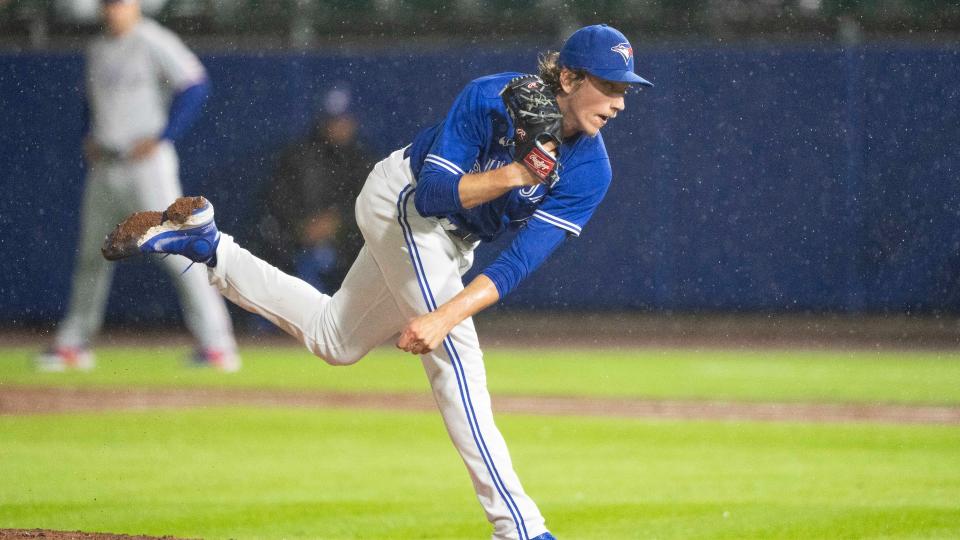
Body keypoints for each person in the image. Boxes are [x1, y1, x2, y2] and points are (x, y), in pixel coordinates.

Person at [102, 24, 652, 540]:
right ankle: (521, 527)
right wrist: (516, 173)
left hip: (455, 243)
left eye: (625, 90)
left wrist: (446, 311)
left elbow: (515, 264)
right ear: (568, 78)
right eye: (608, 86)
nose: (620, 102)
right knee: (458, 361)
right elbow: (434, 194)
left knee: (334, 339)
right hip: (404, 201)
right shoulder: (490, 98)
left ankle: (209, 245)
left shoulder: (591, 170)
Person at [36, 0, 239, 372]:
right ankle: (73, 343)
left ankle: (218, 345)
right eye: (108, 4)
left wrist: (163, 136)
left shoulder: (152, 39)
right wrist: (88, 134)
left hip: (147, 166)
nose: (113, 9)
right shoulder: (97, 48)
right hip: (107, 165)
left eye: (120, 3)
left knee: (180, 249)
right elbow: (92, 102)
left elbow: (195, 84)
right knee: (93, 254)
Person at [255, 88, 371, 294]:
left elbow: (372, 206)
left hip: (348, 241)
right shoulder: (299, 155)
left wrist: (337, 222)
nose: (338, 127)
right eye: (332, 121)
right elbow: (278, 201)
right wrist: (302, 226)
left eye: (342, 120)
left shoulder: (363, 161)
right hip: (299, 238)